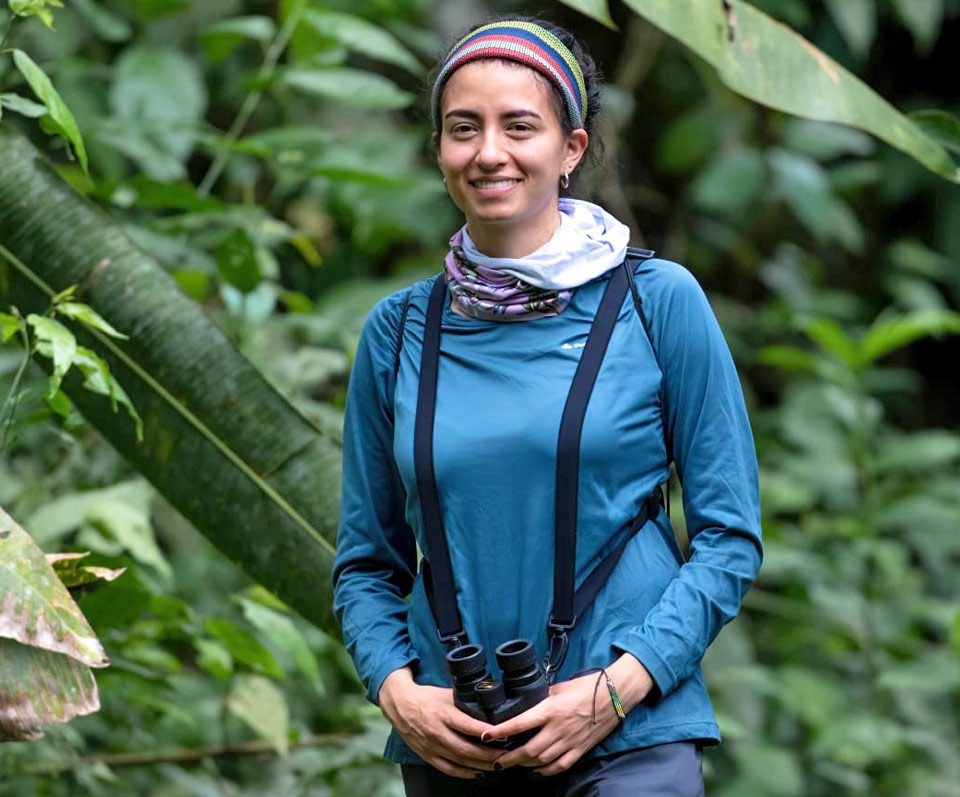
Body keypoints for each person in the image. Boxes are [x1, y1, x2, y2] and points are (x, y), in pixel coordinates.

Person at [332, 15, 762, 796]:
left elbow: (729, 538)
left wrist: (621, 685)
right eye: (464, 129)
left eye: (518, 126)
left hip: (629, 734)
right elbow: (366, 562)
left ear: (572, 148)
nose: (489, 152)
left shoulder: (657, 302)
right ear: (438, 150)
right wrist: (395, 689)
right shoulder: (398, 331)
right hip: (453, 742)